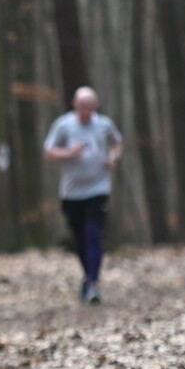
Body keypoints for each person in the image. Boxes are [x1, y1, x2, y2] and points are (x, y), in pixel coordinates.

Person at [43, 86, 123, 304]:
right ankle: (88, 277)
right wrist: (68, 153)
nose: (85, 111)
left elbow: (117, 142)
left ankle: (94, 284)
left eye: (89, 107)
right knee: (79, 239)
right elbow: (48, 151)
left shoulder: (104, 124)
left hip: (98, 189)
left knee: (94, 234)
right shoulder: (63, 125)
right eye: (81, 106)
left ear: (95, 106)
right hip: (71, 192)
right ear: (74, 105)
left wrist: (113, 158)